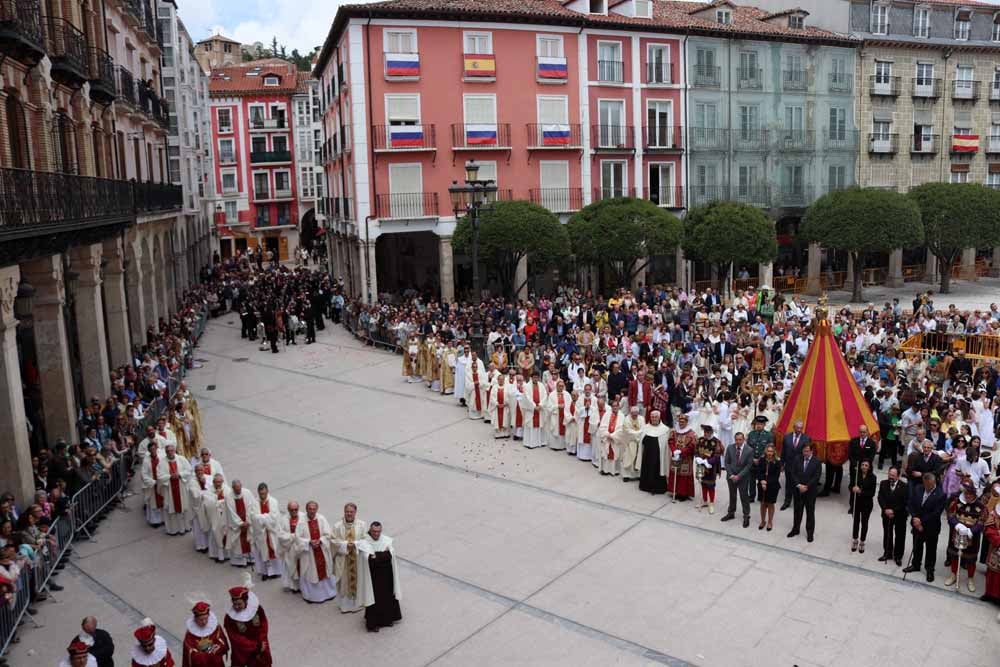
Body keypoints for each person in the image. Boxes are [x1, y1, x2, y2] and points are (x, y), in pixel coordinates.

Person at [357, 521, 402, 632]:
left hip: (386, 577)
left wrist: (376, 556)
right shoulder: (364, 542)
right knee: (373, 601)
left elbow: (390, 556)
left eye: (378, 531)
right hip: (372, 579)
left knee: (387, 599)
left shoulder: (386, 540)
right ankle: (373, 624)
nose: (376, 534)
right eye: (374, 531)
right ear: (370, 530)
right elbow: (368, 559)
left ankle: (387, 620)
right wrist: (383, 555)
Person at [904, 472, 947, 583]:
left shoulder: (941, 494)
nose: (927, 487)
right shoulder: (918, 488)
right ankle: (915, 564)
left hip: (931, 527)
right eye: (925, 485)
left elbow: (936, 513)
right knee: (917, 546)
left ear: (934, 482)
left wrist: (921, 521)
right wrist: (915, 518)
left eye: (930, 485)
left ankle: (929, 569)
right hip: (916, 523)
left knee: (931, 549)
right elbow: (910, 503)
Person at [945, 479, 985, 592]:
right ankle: (953, 575)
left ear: (974, 494)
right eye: (966, 493)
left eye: (970, 494)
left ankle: (970, 579)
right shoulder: (956, 502)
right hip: (957, 535)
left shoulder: (980, 506)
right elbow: (950, 515)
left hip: (972, 538)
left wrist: (972, 531)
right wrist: (957, 525)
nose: (967, 496)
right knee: (954, 555)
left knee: (971, 559)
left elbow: (982, 521)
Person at [294, 500, 337, 603]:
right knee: (311, 573)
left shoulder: (321, 519)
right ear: (306, 509)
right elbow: (297, 538)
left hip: (321, 549)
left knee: (325, 571)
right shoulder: (301, 521)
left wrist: (320, 540)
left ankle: (329, 593)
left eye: (314, 509)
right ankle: (312, 597)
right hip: (309, 552)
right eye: (310, 509)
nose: (312, 511)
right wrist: (309, 542)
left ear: (317, 509)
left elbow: (328, 534)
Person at [224, 580, 271, 667]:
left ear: (245, 601)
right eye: (234, 604)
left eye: (239, 604)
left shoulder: (256, 609)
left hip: (261, 644)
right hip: (243, 649)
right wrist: (255, 646)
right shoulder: (229, 618)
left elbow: (264, 624)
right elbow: (235, 637)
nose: (236, 607)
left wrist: (262, 641)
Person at [331, 502, 367, 613]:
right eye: (347, 511)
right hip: (343, 559)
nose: (349, 514)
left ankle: (358, 604)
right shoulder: (337, 526)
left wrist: (355, 544)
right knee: (344, 583)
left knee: (358, 581)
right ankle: (345, 606)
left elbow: (365, 539)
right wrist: (345, 545)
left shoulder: (362, 525)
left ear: (355, 512)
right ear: (344, 512)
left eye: (351, 512)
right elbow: (332, 541)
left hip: (357, 559)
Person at [788, 443, 821, 542]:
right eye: (804, 451)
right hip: (798, 490)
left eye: (807, 451)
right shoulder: (797, 459)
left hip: (810, 492)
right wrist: (799, 485)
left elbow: (816, 476)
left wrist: (807, 486)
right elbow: (793, 473)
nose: (805, 453)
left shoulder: (816, 462)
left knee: (810, 512)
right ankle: (795, 529)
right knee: (797, 511)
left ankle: (810, 533)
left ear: (811, 451)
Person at [156, 444, 192, 536]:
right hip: (169, 490)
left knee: (184, 507)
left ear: (174, 450)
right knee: (171, 510)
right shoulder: (161, 463)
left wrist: (180, 474)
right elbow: (159, 476)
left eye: (171, 450)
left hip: (181, 488)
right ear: (165, 452)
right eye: (168, 451)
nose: (170, 452)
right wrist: (170, 476)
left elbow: (189, 470)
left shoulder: (181, 459)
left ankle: (186, 527)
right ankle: (173, 530)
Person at [877, 466, 909, 566]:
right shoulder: (883, 483)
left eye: (893, 475)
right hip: (886, 514)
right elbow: (880, 497)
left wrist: (893, 511)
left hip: (900, 515)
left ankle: (898, 556)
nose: (890, 477)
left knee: (900, 536)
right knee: (887, 534)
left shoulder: (904, 486)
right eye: (889, 474)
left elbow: (905, 502)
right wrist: (885, 509)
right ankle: (887, 553)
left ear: (898, 476)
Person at [182, 601, 229, 667]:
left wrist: (216, 649)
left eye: (206, 619)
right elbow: (190, 653)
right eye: (201, 620)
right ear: (195, 619)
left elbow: (222, 642)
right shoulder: (190, 635)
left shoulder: (215, 627)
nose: (204, 622)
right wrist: (207, 655)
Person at [251, 484, 282, 580]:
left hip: (272, 532)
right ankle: (265, 572)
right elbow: (253, 517)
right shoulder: (254, 503)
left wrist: (261, 517)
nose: (262, 495)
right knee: (263, 553)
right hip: (261, 533)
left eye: (264, 493)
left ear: (267, 491)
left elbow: (274, 517)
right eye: (261, 494)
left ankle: (276, 572)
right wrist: (265, 517)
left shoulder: (273, 501)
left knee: (273, 551)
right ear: (258, 493)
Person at [722, 432, 754, 527]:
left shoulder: (749, 450)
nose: (738, 442)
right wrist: (731, 475)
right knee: (732, 495)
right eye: (736, 440)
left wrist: (739, 476)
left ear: (743, 440)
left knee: (744, 496)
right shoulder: (730, 448)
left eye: (740, 440)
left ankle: (746, 515)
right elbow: (727, 462)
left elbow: (748, 466)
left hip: (743, 478)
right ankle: (731, 513)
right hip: (731, 477)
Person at [226, 480, 258, 568]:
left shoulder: (247, 493)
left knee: (249, 541)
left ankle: (250, 559)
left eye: (239, 489)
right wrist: (240, 523)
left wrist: (248, 521)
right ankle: (239, 562)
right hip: (237, 525)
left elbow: (252, 507)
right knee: (238, 544)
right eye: (236, 490)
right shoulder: (228, 497)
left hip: (248, 523)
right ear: (232, 488)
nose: (238, 491)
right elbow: (230, 513)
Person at [637, 411, 669, 494]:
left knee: (657, 470)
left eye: (656, 417)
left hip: (658, 456)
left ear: (659, 417)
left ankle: (657, 488)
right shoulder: (645, 428)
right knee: (646, 469)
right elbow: (641, 441)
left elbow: (666, 445)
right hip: (647, 455)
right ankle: (645, 487)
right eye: (652, 417)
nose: (654, 419)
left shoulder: (665, 429)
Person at [847, 426, 878, 515]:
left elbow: (871, 456)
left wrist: (864, 466)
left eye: (864, 432)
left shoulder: (871, 443)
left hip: (866, 469)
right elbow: (850, 454)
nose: (862, 434)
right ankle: (852, 506)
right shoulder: (853, 441)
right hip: (855, 468)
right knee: (854, 486)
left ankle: (863, 505)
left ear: (867, 432)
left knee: (865, 487)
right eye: (861, 432)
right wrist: (855, 465)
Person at [666, 413, 697, 500]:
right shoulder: (674, 432)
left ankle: (683, 493)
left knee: (684, 476)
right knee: (675, 473)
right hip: (675, 456)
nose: (681, 423)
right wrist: (674, 450)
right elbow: (670, 441)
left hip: (686, 458)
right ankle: (675, 491)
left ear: (687, 422)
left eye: (683, 422)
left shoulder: (692, 433)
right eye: (680, 422)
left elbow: (692, 446)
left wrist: (681, 451)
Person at [780, 421, 810, 511]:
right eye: (798, 428)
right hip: (789, 465)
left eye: (801, 428)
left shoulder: (806, 438)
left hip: (800, 466)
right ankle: (787, 501)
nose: (799, 430)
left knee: (798, 484)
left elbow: (807, 453)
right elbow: (783, 452)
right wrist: (782, 464)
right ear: (794, 427)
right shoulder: (786, 437)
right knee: (788, 484)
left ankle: (799, 502)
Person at [850, 460, 877, 553]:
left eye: (866, 465)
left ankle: (862, 541)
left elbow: (872, 493)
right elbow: (850, 486)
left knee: (864, 523)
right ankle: (855, 540)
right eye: (862, 465)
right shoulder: (856, 474)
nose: (864, 467)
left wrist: (860, 491)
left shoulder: (873, 477)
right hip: (856, 502)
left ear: (869, 467)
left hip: (867, 504)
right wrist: (852, 488)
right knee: (856, 522)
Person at [745, 415, 774, 503]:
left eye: (761, 424)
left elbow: (770, 449)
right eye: (757, 424)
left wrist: (761, 458)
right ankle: (751, 496)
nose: (759, 425)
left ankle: (761, 496)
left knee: (762, 479)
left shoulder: (769, 435)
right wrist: (753, 458)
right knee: (751, 480)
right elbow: (748, 448)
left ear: (764, 424)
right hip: (752, 460)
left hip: (763, 461)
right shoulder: (751, 434)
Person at [695, 424, 722, 513]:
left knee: (710, 485)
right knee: (702, 483)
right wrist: (697, 458)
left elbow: (717, 456)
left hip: (711, 467)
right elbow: (696, 450)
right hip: (700, 465)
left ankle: (711, 503)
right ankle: (705, 501)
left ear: (711, 432)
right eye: (704, 432)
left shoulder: (716, 442)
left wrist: (708, 462)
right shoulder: (700, 440)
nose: (705, 434)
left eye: (707, 432)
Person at [276, 501, 303, 592]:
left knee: (303, 566)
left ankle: (303, 586)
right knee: (291, 567)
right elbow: (280, 534)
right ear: (288, 510)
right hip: (289, 548)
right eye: (292, 510)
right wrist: (293, 536)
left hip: (301, 547)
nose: (294, 511)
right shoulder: (283, 519)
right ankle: (294, 586)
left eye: (296, 509)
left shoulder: (303, 517)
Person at [755, 444, 781, 531]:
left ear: (774, 452)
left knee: (770, 504)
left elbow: (776, 476)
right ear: (766, 451)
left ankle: (770, 521)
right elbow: (758, 472)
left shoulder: (777, 462)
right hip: (761, 485)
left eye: (771, 451)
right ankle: (763, 521)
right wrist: (762, 481)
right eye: (768, 451)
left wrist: (767, 483)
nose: (769, 453)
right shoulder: (762, 460)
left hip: (772, 486)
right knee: (762, 504)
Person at [596, 398, 623, 476]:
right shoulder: (606, 414)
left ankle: (614, 470)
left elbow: (621, 429)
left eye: (616, 406)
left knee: (615, 454)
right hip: (607, 438)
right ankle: (605, 470)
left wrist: (613, 436)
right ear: (611, 407)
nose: (615, 407)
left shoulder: (622, 416)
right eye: (613, 406)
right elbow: (602, 426)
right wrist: (607, 434)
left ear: (619, 406)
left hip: (615, 440)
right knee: (605, 454)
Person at [140, 441, 164, 528]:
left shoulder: (161, 457)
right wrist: (153, 482)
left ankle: (162, 520)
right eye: (151, 449)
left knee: (163, 502)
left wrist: (162, 480)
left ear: (156, 448)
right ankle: (155, 521)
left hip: (161, 484)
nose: (153, 450)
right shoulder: (146, 461)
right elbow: (144, 474)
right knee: (153, 504)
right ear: (149, 450)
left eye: (154, 448)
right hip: (152, 486)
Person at [620, 406, 645, 482]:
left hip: (639, 442)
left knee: (638, 458)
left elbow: (643, 429)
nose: (634, 416)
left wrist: (638, 435)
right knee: (628, 457)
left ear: (638, 413)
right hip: (629, 442)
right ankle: (626, 475)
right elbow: (628, 431)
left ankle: (638, 475)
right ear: (630, 413)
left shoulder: (641, 419)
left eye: (636, 414)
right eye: (633, 414)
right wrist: (637, 435)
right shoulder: (626, 420)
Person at [464, 351, 486, 419]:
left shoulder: (480, 363)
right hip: (472, 390)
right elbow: (467, 384)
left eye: (476, 367)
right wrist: (474, 384)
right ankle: (473, 415)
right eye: (473, 367)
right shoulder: (469, 372)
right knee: (472, 402)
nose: (475, 368)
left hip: (479, 389)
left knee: (481, 400)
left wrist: (479, 383)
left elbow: (484, 379)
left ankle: (481, 414)